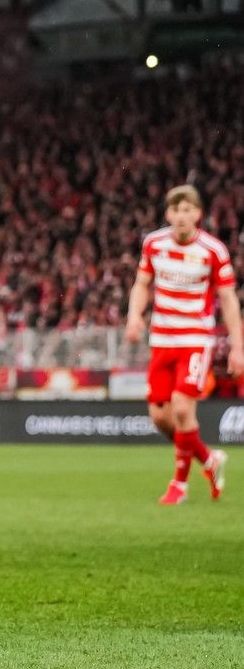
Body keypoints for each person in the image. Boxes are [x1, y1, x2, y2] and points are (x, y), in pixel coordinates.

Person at [124, 184, 241, 504]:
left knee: (181, 408)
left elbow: (228, 299)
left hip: (194, 340)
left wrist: (238, 346)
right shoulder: (154, 244)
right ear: (168, 213)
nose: (181, 216)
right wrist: (134, 316)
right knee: (160, 418)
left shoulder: (213, 250)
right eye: (175, 210)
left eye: (187, 210)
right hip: (161, 340)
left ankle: (179, 485)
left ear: (198, 214)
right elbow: (142, 284)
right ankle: (209, 459)